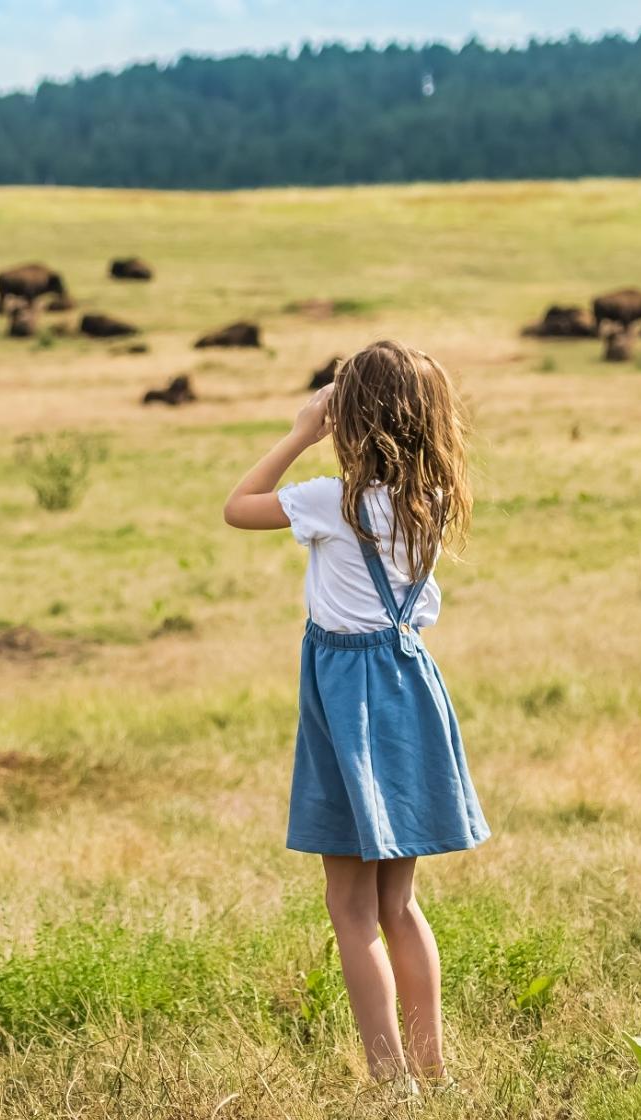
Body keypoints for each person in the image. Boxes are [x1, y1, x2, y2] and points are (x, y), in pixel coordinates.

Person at [222, 340, 488, 1092]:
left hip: (347, 699)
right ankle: (432, 1071)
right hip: (409, 686)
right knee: (398, 902)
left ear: (351, 419)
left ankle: (388, 1078)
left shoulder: (329, 503)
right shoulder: (431, 503)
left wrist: (301, 431)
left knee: (349, 905)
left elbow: (237, 507)